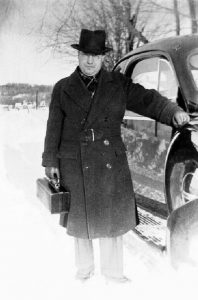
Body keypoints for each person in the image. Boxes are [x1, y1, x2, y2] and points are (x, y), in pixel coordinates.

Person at [42, 29, 190, 283]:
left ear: (103, 58)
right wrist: (50, 161)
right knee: (82, 222)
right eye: (86, 55)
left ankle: (113, 273)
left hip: (110, 159)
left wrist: (172, 110)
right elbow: (53, 128)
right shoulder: (62, 89)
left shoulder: (118, 84)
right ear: (79, 55)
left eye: (96, 56)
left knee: (111, 220)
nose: (90, 61)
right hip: (75, 161)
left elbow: (148, 100)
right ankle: (84, 272)